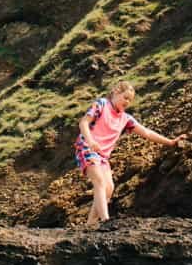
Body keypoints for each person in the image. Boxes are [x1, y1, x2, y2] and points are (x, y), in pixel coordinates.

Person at [75, 80, 185, 229]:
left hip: (102, 156)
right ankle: (106, 221)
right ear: (115, 92)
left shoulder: (125, 119)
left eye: (130, 100)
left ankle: (90, 225)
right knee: (99, 182)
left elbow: (146, 132)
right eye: (125, 97)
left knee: (109, 188)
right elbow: (83, 123)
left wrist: (171, 142)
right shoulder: (102, 104)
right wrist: (90, 141)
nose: (128, 102)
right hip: (87, 147)